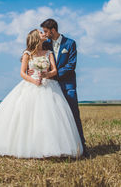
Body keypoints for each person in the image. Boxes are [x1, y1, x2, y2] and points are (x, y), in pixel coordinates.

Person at [0, 29, 83, 159]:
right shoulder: (27, 54)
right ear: (35, 37)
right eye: (40, 32)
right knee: (26, 117)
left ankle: (52, 147)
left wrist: (47, 74)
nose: (44, 33)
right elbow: (22, 73)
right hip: (31, 84)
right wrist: (33, 80)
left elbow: (54, 70)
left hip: (48, 85)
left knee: (49, 117)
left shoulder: (49, 53)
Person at [28, 19, 88, 157]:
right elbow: (32, 55)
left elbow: (71, 65)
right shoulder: (46, 43)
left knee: (73, 115)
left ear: (53, 30)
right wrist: (31, 71)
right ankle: (59, 147)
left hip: (67, 85)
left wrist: (52, 74)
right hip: (50, 87)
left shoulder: (70, 43)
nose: (44, 33)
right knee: (54, 117)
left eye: (45, 31)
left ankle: (82, 147)